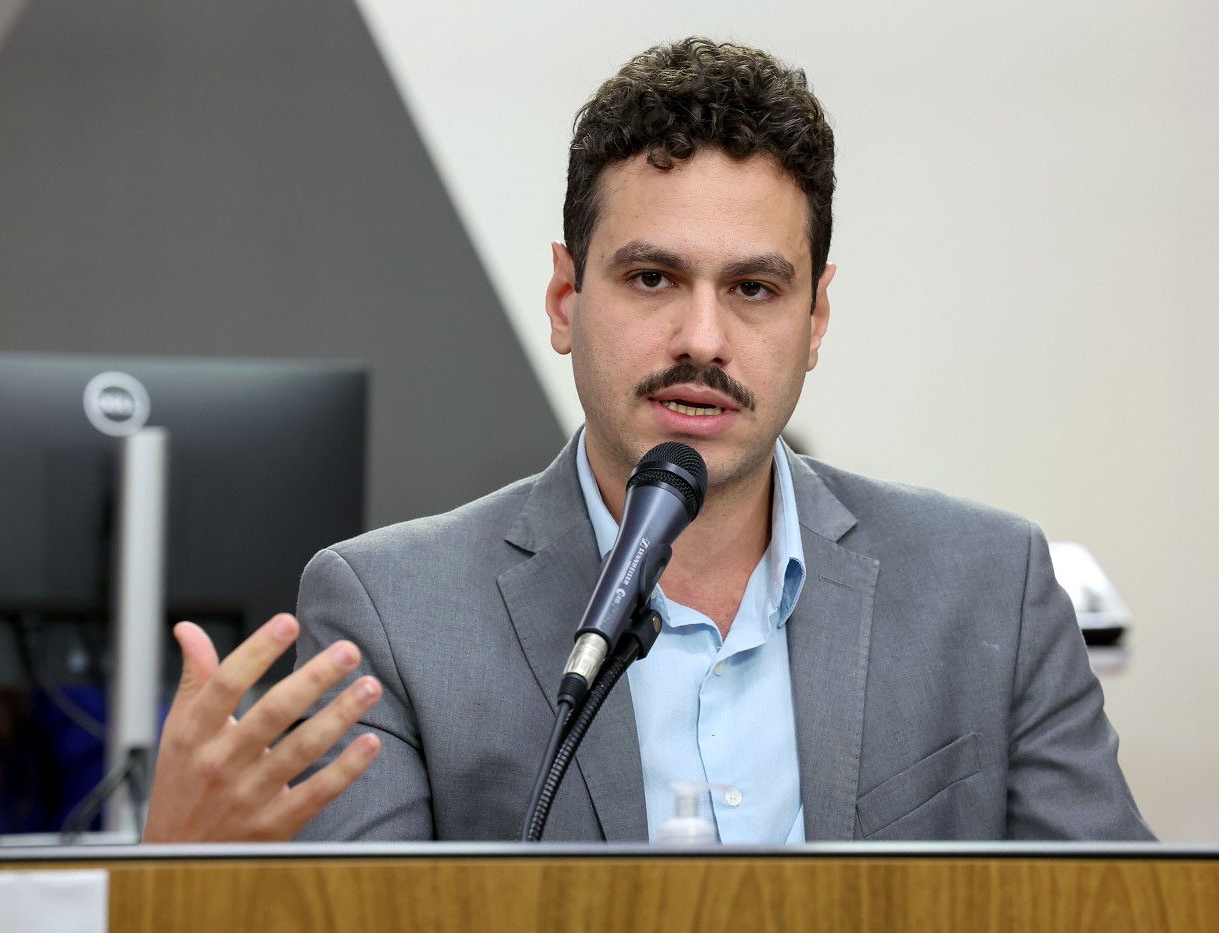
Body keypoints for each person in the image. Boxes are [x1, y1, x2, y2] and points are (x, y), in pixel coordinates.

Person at [143, 37, 1152, 843]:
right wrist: (177, 877)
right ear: (564, 298)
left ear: (815, 321)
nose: (701, 339)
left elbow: (1126, 912)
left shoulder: (990, 590)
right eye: (652, 278)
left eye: (752, 288)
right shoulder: (394, 615)